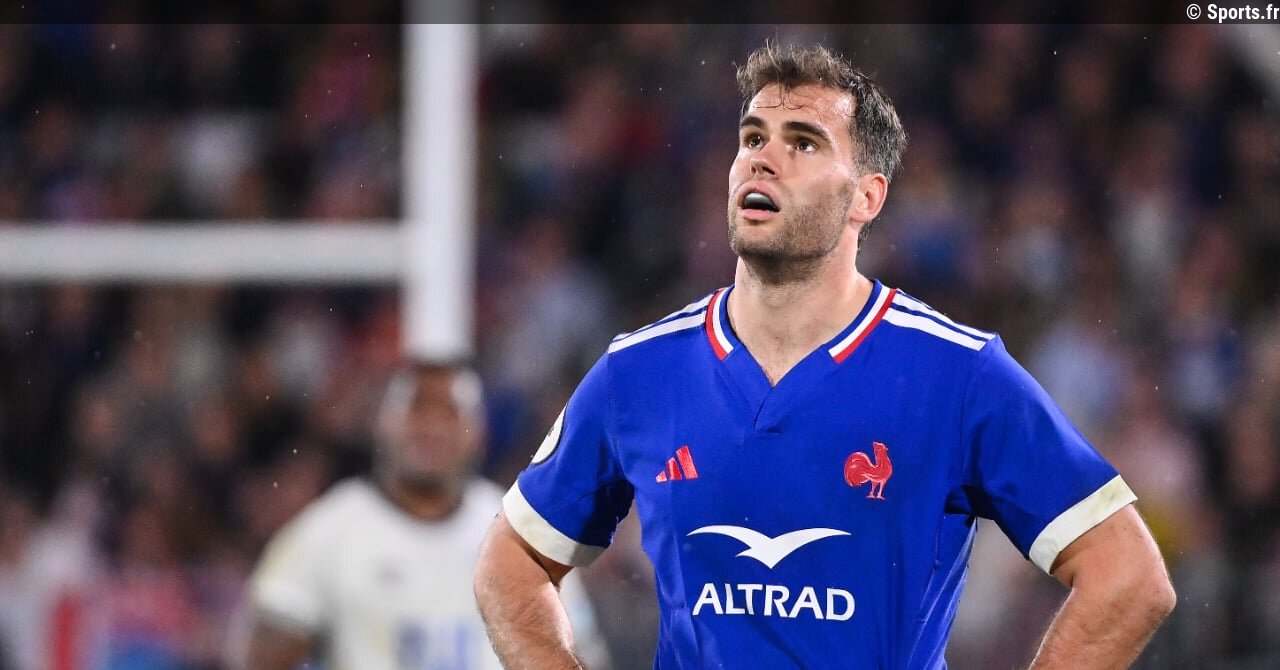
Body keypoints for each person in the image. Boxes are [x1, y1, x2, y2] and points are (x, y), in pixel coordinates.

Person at [473, 42, 1175, 669]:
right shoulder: (639, 371)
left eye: (803, 142)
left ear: (867, 196)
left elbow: (1127, 576)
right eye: (752, 137)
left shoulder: (956, 373)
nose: (762, 157)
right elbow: (511, 561)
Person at [237, 360, 608, 670]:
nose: (431, 427)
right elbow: (264, 651)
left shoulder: (523, 529)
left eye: (449, 413)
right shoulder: (327, 530)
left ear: (478, 433)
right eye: (416, 409)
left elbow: (579, 651)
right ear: (381, 423)